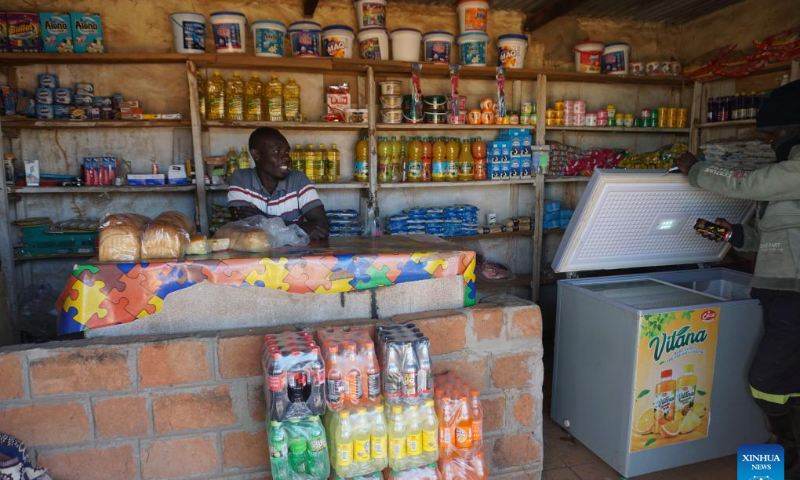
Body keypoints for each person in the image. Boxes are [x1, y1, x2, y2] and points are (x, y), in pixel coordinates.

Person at [676, 79, 800, 476]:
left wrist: (694, 170)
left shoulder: (791, 170)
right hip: (779, 293)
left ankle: (785, 456)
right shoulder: (786, 177)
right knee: (785, 379)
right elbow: (766, 238)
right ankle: (779, 457)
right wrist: (728, 234)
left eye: (773, 133)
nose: (768, 142)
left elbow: (745, 183)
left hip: (795, 296)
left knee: (765, 379)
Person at [228, 127, 329, 240]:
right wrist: (301, 228)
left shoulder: (297, 179)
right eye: (277, 151)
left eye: (287, 151)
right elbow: (242, 228)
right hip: (255, 256)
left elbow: (321, 228)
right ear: (256, 154)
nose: (287, 158)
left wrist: (263, 218)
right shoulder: (241, 179)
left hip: (294, 256)